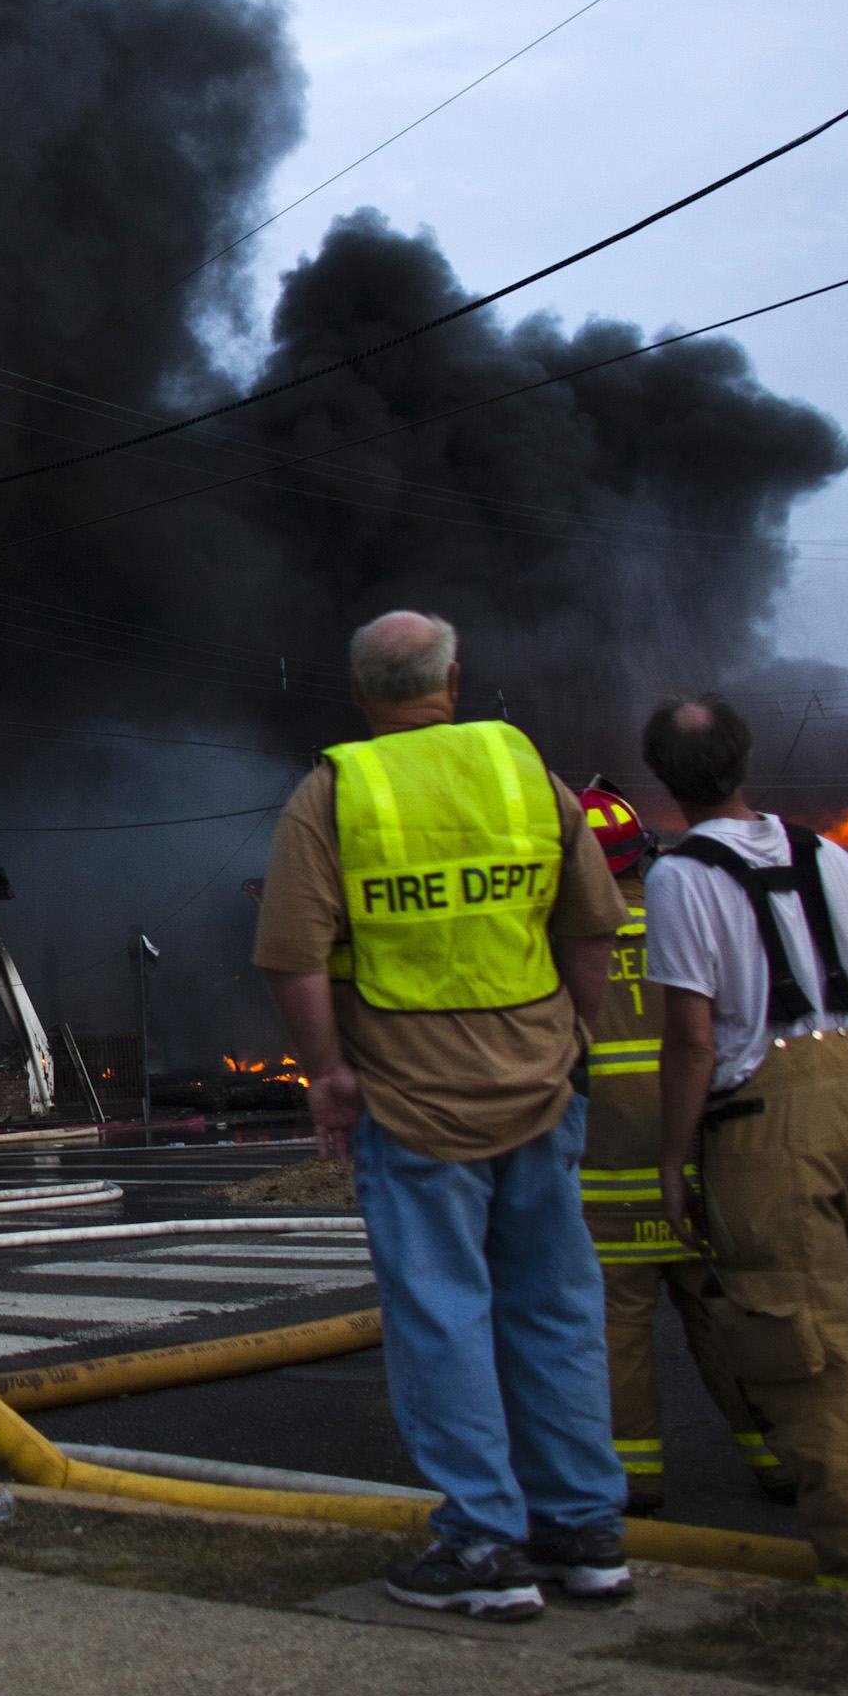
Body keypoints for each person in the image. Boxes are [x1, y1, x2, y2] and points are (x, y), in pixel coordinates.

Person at [253, 611, 630, 1622]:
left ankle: (480, 1543)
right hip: (540, 1085)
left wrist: (327, 1071)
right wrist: (566, 1034)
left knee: (441, 1308)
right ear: (453, 678)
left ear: (356, 691)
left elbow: (292, 952)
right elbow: (591, 924)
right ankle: (585, 1532)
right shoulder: (527, 774)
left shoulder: (334, 793)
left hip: (408, 1098)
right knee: (553, 1302)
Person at [639, 698, 848, 1598]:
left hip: (770, 1126)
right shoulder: (829, 854)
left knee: (810, 1358)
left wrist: (672, 1158)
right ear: (745, 757)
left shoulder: (680, 878)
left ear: (664, 777)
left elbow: (693, 1038)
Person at [569, 781, 790, 1515]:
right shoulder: (690, 927)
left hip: (605, 1183)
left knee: (615, 1333)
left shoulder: (557, 949)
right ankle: (780, 1458)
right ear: (643, 857)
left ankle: (633, 1479)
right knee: (726, 1316)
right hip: (702, 1164)